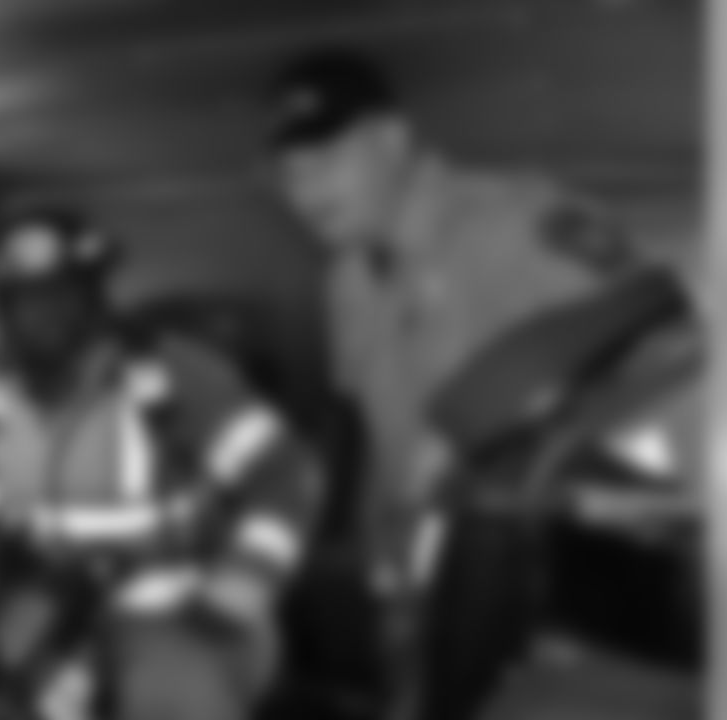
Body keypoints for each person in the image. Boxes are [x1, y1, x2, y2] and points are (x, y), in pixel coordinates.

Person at [264, 48, 640, 636]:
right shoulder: (345, 280)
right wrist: (379, 563)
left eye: (327, 157)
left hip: (560, 589)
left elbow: (655, 357)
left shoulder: (512, 222)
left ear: (392, 140)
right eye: (290, 173)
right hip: (428, 591)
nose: (306, 190)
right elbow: (377, 435)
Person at [0, 208, 323, 720]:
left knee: (172, 703)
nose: (41, 315)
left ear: (94, 294)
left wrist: (248, 575)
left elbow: (286, 473)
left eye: (60, 294)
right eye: (19, 300)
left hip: (175, 604)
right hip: (46, 595)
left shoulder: (172, 371)